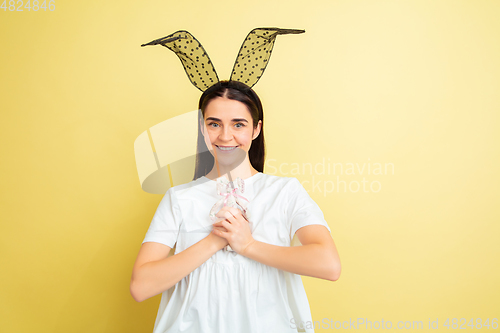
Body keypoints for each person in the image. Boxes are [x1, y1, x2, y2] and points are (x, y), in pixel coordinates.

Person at [130, 80, 341, 333]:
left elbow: (328, 264)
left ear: (256, 129)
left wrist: (248, 245)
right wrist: (214, 241)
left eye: (238, 124)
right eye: (214, 124)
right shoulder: (179, 198)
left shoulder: (285, 191)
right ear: (202, 128)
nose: (225, 136)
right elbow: (141, 286)